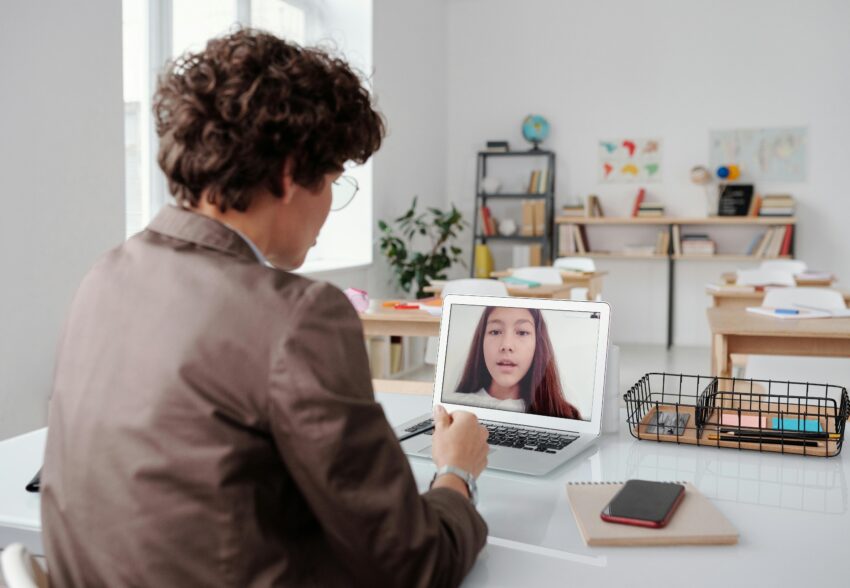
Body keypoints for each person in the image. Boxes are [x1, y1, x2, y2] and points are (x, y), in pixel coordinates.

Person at [40, 29, 489, 587]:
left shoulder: (105, 275)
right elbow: (413, 563)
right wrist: (457, 473)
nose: (329, 207)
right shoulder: (295, 316)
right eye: (330, 181)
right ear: (289, 172)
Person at [453, 306, 582, 420]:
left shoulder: (563, 416)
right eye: (495, 331)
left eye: (522, 332)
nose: (506, 345)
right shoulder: (454, 408)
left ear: (538, 344)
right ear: (481, 341)